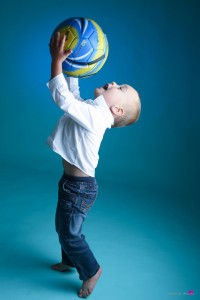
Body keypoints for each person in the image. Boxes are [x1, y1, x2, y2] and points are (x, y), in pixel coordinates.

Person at [47, 32, 141, 298]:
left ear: (117, 111)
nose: (113, 82)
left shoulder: (97, 117)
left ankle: (91, 270)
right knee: (62, 227)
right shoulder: (92, 110)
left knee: (70, 233)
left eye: (119, 88)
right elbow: (73, 96)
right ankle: (69, 261)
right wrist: (73, 67)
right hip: (71, 183)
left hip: (79, 188)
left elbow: (63, 99)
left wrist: (56, 62)